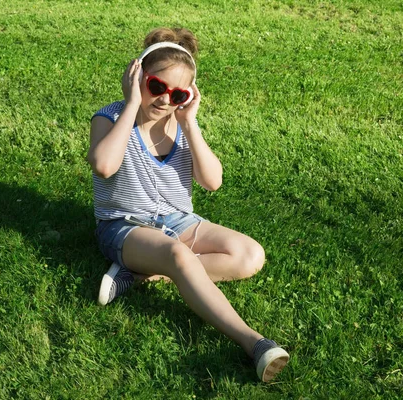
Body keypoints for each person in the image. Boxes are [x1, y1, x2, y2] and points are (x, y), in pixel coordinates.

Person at [87, 27, 289, 382]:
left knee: (249, 255)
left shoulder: (180, 123)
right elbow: (104, 165)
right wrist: (132, 104)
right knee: (179, 256)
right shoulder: (109, 117)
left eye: (177, 93)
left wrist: (190, 122)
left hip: (180, 222)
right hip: (124, 227)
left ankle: (138, 276)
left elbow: (212, 181)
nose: (165, 99)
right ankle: (253, 342)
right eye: (156, 87)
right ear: (138, 76)